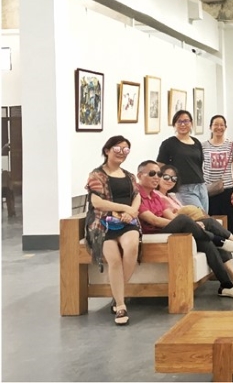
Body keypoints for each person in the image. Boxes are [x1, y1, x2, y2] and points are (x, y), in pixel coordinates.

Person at [136, 160, 233, 299]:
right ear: (139, 175)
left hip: (167, 231)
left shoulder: (155, 195)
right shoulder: (136, 195)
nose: (156, 177)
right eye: (152, 173)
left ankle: (226, 285)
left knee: (206, 243)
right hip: (154, 235)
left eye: (159, 174)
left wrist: (192, 225)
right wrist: (186, 223)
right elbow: (154, 220)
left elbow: (169, 215)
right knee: (183, 219)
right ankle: (219, 240)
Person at [156, 164, 233, 291]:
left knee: (214, 240)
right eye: (166, 177)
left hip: (186, 228)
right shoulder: (158, 197)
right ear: (159, 177)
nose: (170, 181)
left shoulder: (172, 196)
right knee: (209, 223)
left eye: (173, 178)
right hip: (176, 232)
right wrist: (194, 222)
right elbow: (175, 219)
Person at [86, 135, 141, 326]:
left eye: (126, 150)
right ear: (107, 150)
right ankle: (120, 305)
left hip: (127, 222)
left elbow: (137, 196)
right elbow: (97, 202)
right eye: (117, 149)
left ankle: (118, 295)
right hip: (103, 224)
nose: (121, 153)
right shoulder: (96, 175)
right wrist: (123, 208)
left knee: (131, 247)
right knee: (114, 260)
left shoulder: (129, 176)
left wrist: (131, 212)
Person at [157, 110, 208, 211]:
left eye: (186, 121)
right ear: (174, 124)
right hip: (183, 188)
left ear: (191, 123)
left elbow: (199, 164)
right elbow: (160, 167)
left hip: (201, 186)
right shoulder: (168, 144)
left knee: (205, 216)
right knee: (199, 215)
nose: (183, 124)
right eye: (179, 121)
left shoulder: (196, 142)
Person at [202, 115, 233, 235]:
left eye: (221, 125)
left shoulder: (232, 145)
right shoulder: (203, 146)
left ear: (225, 127)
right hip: (209, 190)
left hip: (227, 189)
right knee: (211, 221)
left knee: (229, 222)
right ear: (210, 127)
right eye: (215, 124)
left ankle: (231, 244)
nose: (219, 127)